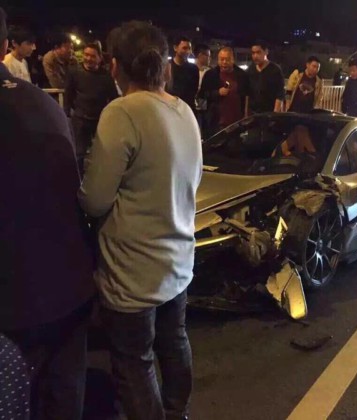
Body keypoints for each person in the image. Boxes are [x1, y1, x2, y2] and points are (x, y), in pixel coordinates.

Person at [78, 21, 202, 420]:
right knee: (174, 341)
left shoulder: (121, 112)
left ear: (115, 66)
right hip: (177, 260)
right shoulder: (184, 111)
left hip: (132, 270)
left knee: (135, 360)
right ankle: (177, 412)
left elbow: (95, 199)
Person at [0, 7, 96, 419]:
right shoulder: (43, 104)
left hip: (13, 306)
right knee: (63, 396)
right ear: (5, 46)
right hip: (68, 289)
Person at [64, 43, 119, 171]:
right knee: (78, 153)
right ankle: (77, 178)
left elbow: (113, 98)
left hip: (99, 119)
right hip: (80, 119)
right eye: (86, 55)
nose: (88, 58)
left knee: (102, 152)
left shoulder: (106, 76)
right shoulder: (75, 72)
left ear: (100, 58)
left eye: (93, 56)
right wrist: (67, 113)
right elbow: (68, 95)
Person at [199, 46, 249, 137]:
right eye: (221, 59)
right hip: (215, 124)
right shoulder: (211, 75)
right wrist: (217, 93)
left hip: (236, 124)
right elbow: (202, 95)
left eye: (227, 59)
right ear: (218, 60)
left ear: (233, 60)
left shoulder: (242, 75)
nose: (224, 62)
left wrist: (245, 116)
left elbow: (246, 96)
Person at [247, 41, 285, 114]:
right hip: (253, 114)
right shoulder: (250, 70)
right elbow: (247, 94)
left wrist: (275, 114)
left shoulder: (275, 70)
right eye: (253, 53)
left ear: (266, 52)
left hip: (269, 113)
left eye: (258, 52)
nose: (255, 56)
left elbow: (280, 93)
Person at [166, 36, 199, 110]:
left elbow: (194, 91)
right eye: (184, 48)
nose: (188, 51)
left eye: (189, 48)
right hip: (170, 107)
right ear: (175, 48)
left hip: (187, 108)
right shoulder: (167, 66)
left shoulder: (193, 69)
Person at [194, 43, 211, 135]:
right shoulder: (190, 70)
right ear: (200, 55)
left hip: (205, 109)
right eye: (208, 56)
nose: (209, 59)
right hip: (193, 108)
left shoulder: (209, 72)